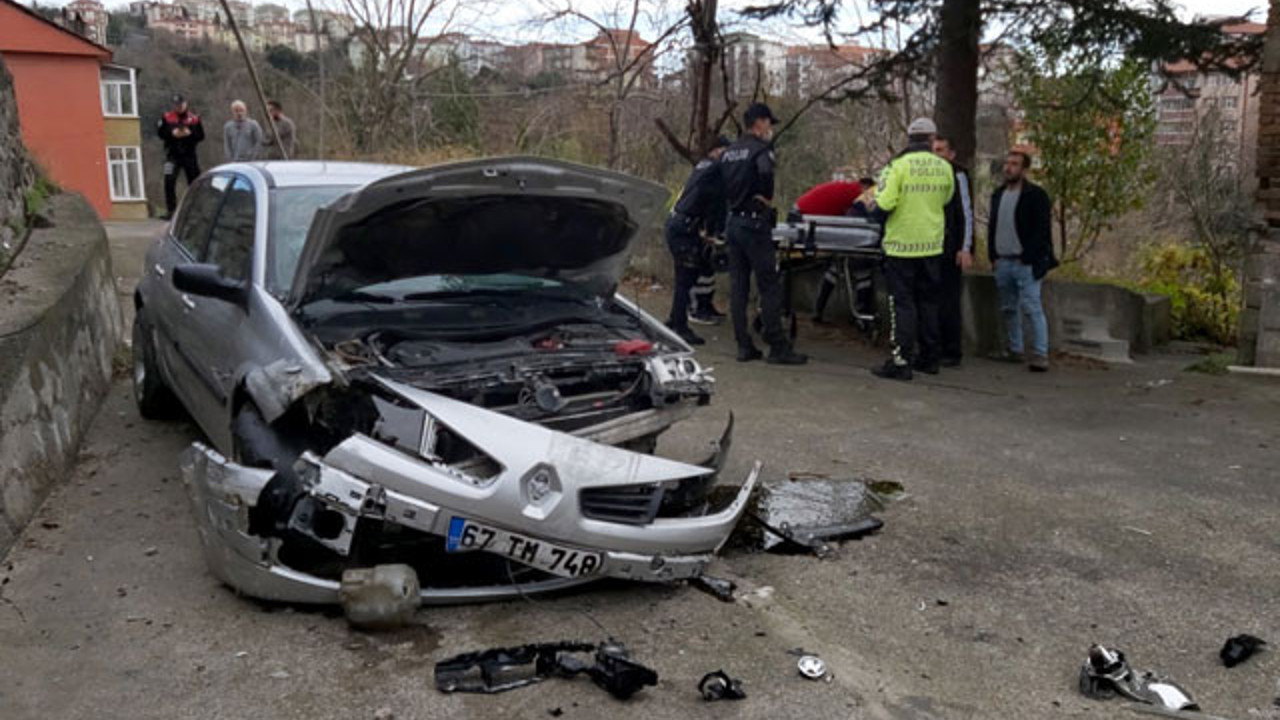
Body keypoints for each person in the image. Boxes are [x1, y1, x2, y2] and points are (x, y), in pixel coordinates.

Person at [720, 102, 807, 365]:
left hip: (733, 221)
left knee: (739, 286)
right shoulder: (761, 150)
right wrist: (765, 199)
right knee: (769, 284)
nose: (770, 128)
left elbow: (723, 184)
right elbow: (766, 177)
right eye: (769, 122)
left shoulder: (729, 152)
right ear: (759, 122)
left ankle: (743, 345)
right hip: (754, 224)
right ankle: (777, 345)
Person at [870, 117, 955, 381]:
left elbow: (884, 203)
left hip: (901, 247)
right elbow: (947, 199)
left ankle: (901, 360)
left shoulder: (896, 166)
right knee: (929, 302)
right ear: (931, 139)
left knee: (902, 304)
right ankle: (929, 358)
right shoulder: (944, 167)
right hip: (931, 245)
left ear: (908, 139)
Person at [988, 149, 1057, 372]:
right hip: (1003, 261)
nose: (1009, 168)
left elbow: (1042, 230)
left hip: (1025, 262)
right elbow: (992, 227)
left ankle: (1040, 353)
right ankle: (1014, 349)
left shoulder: (1036, 195)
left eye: (1015, 164)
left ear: (1024, 169)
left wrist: (1030, 256)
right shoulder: (998, 195)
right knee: (1009, 308)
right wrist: (993, 256)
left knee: (1031, 307)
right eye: (1007, 164)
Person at [665, 136, 730, 345]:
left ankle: (674, 320)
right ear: (718, 151)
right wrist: (716, 231)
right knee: (686, 278)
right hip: (685, 227)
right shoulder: (715, 172)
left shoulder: (703, 166)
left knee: (685, 278)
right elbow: (716, 204)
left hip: (678, 223)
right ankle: (680, 326)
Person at [791, 173, 865, 324]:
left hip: (800, 215)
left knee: (835, 267)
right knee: (861, 270)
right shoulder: (858, 194)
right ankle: (862, 313)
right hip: (806, 221)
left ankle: (818, 309)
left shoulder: (846, 189)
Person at [932, 135, 975, 367]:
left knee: (949, 302)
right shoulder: (931, 175)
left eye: (940, 150)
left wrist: (965, 247)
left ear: (951, 154)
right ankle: (934, 345)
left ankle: (951, 350)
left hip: (951, 247)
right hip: (932, 246)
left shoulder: (958, 175)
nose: (936, 155)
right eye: (934, 150)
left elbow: (966, 212)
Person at [157, 93, 205, 218]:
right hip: (172, 155)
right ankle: (171, 211)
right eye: (176, 105)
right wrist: (172, 133)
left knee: (195, 182)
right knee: (169, 180)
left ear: (186, 104)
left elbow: (201, 135)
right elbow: (160, 133)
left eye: (181, 104)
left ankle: (196, 211)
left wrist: (190, 133)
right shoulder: (167, 117)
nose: (179, 107)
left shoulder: (194, 119)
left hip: (189, 155)